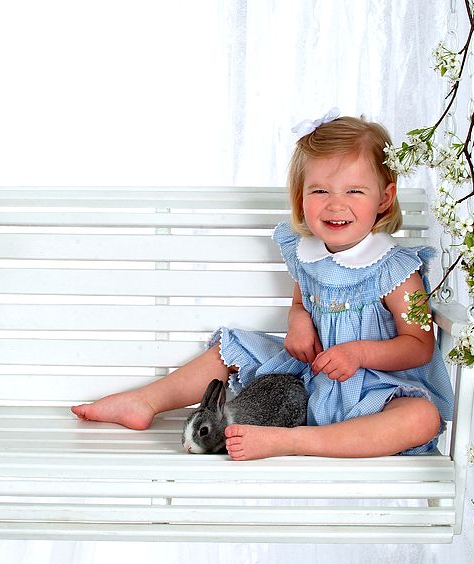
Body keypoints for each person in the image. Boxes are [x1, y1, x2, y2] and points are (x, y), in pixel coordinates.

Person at [72, 113, 454, 461]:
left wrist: (358, 353)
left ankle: (288, 440)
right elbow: (301, 301)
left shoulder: (396, 271)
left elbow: (418, 346)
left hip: (370, 392)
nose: (336, 205)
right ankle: (145, 401)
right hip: (307, 378)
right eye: (320, 191)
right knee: (235, 350)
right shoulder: (308, 255)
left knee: (421, 418)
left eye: (354, 191)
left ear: (384, 199)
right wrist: (299, 320)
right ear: (301, 198)